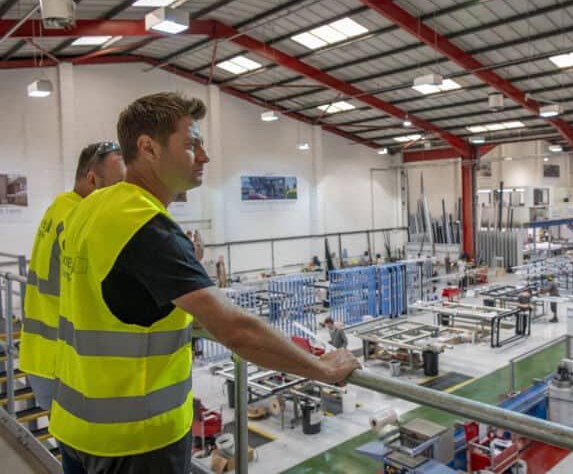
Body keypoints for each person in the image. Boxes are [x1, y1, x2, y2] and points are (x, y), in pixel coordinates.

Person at [50, 93, 359, 474]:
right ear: (148, 147)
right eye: (191, 144)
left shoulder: (89, 209)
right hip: (134, 441)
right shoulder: (146, 227)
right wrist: (321, 367)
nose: (205, 157)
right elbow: (236, 329)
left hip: (75, 427)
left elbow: (116, 301)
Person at [19, 141, 125, 412]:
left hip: (42, 353)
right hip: (62, 359)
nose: (124, 195)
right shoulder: (77, 217)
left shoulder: (59, 206)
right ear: (92, 179)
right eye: (118, 185)